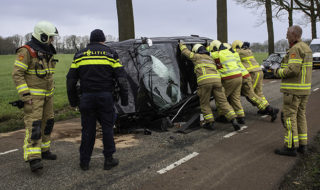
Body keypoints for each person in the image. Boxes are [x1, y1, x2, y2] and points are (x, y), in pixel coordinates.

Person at [66, 29, 129, 170]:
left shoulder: (79, 55)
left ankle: (84, 162)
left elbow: (70, 80)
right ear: (103, 40)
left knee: (88, 130)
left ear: (90, 40)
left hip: (86, 98)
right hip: (105, 97)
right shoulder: (111, 54)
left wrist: (73, 101)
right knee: (107, 128)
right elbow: (121, 79)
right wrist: (125, 99)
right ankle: (109, 160)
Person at [12, 21, 59, 172]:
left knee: (48, 122)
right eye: (50, 37)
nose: (52, 40)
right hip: (33, 98)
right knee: (35, 127)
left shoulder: (47, 51)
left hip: (48, 96)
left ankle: (44, 151)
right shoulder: (26, 51)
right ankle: (34, 158)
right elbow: (17, 74)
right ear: (42, 36)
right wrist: (26, 96)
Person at [179, 41, 240, 131]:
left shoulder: (196, 57)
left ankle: (210, 122)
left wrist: (181, 45)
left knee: (205, 103)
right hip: (217, 81)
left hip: (205, 82)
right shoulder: (211, 58)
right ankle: (233, 119)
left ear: (196, 51)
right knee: (223, 102)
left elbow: (185, 52)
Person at [273, 25, 313, 156]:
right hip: (304, 89)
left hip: (293, 90)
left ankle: (290, 147)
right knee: (301, 116)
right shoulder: (306, 48)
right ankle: (303, 145)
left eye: (288, 34)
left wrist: (278, 71)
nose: (286, 36)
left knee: (289, 118)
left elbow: (293, 70)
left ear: (295, 35)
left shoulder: (295, 49)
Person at [223, 43, 279, 122]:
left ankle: (269, 109)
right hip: (259, 71)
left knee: (249, 94)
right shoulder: (247, 51)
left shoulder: (238, 52)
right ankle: (265, 107)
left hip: (252, 73)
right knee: (258, 93)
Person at [208, 40, 245, 124]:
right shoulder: (229, 52)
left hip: (229, 78)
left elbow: (206, 55)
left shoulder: (217, 54)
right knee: (235, 98)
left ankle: (223, 116)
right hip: (239, 76)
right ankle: (241, 116)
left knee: (221, 98)